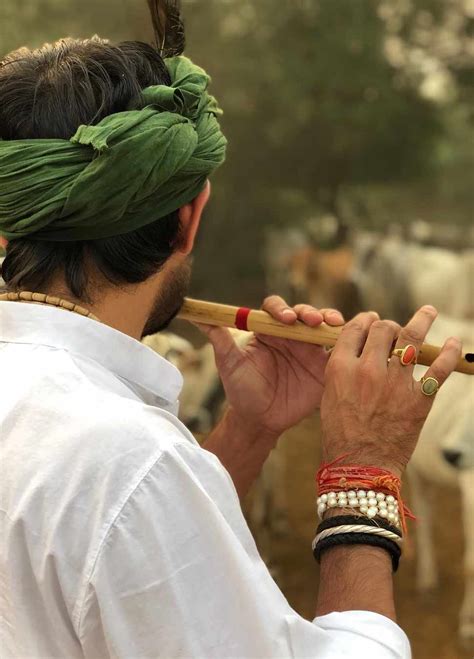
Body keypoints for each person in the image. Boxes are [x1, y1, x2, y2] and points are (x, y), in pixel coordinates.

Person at [0, 3, 462, 658]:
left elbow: (112, 558)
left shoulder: (101, 448)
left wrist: (248, 430)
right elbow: (122, 509)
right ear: (191, 217)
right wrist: (363, 469)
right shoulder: (126, 460)